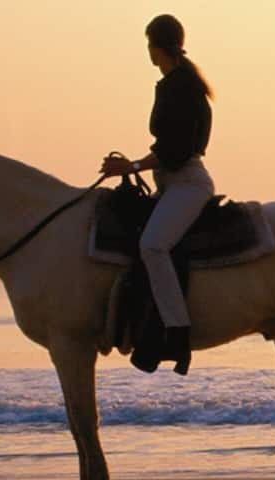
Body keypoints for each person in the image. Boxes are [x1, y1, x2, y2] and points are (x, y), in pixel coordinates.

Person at [100, 14, 215, 374]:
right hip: (173, 181)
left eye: (149, 44)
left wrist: (130, 168)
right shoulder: (178, 82)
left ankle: (177, 331)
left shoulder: (180, 87)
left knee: (152, 245)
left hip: (186, 182)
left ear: (155, 46)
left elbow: (174, 149)